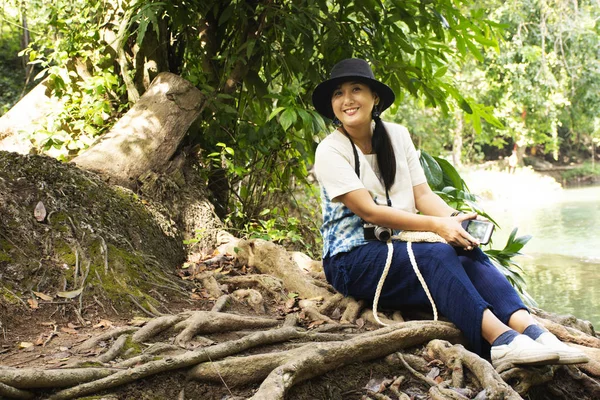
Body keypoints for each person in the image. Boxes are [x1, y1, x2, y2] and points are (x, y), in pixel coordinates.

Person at [311, 58, 588, 367]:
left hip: (395, 245)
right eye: (338, 93)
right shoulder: (330, 150)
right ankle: (502, 343)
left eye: (356, 89)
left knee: (464, 250)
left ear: (374, 98)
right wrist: (437, 227)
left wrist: (454, 222)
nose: (347, 100)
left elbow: (423, 194)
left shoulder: (397, 136)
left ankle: (535, 333)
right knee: (436, 255)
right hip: (351, 261)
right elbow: (369, 212)